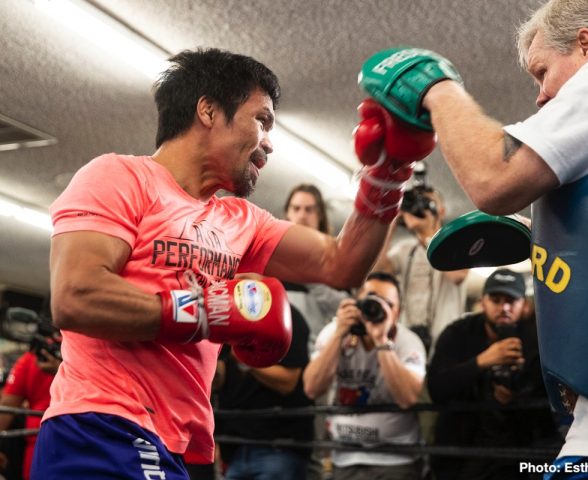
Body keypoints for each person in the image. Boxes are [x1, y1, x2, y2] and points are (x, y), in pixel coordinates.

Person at [357, 0, 588, 477]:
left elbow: (494, 178)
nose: (540, 95)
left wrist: (435, 88)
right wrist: (542, 236)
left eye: (542, 71)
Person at [35, 47, 435, 479]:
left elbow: (342, 265)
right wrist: (205, 313)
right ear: (208, 109)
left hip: (190, 442)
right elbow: (77, 297)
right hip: (105, 426)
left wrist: (387, 174)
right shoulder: (119, 177)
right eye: (261, 119)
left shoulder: (241, 220)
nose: (269, 143)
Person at [427, 269, 560, 480]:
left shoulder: (537, 338)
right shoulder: (458, 333)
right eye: (496, 300)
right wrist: (482, 361)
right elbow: (436, 389)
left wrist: (519, 392)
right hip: (462, 450)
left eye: (510, 300)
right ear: (483, 302)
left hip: (519, 453)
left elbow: (551, 397)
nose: (503, 308)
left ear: (524, 304)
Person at [303, 272, 426, 480]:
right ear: (356, 302)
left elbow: (408, 398)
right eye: (370, 299)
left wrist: (381, 340)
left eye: (386, 303)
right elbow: (312, 388)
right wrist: (339, 334)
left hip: (395, 461)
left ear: (397, 313)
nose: (375, 307)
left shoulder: (408, 342)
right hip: (344, 458)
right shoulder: (334, 331)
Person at [214, 305, 313, 480]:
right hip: (235, 446)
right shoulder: (227, 317)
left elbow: (288, 382)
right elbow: (217, 382)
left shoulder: (286, 315)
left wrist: (242, 355)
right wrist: (212, 349)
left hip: (277, 445)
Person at [376, 186, 468, 357]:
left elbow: (457, 276)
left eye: (426, 203)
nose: (419, 208)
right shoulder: (404, 249)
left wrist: (428, 233)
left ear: (440, 211)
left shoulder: (456, 244)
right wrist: (391, 221)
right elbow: (377, 270)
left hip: (446, 343)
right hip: (407, 339)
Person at [282, 183, 349, 350]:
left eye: (309, 209)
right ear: (288, 213)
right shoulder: (273, 253)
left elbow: (346, 307)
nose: (302, 215)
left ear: (320, 215)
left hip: (315, 352)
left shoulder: (335, 256)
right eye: (296, 209)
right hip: (276, 350)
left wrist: (309, 276)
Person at [0, 346, 60, 480]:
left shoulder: (32, 357)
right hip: (89, 440)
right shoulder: (101, 346)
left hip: (40, 445)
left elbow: (7, 405)